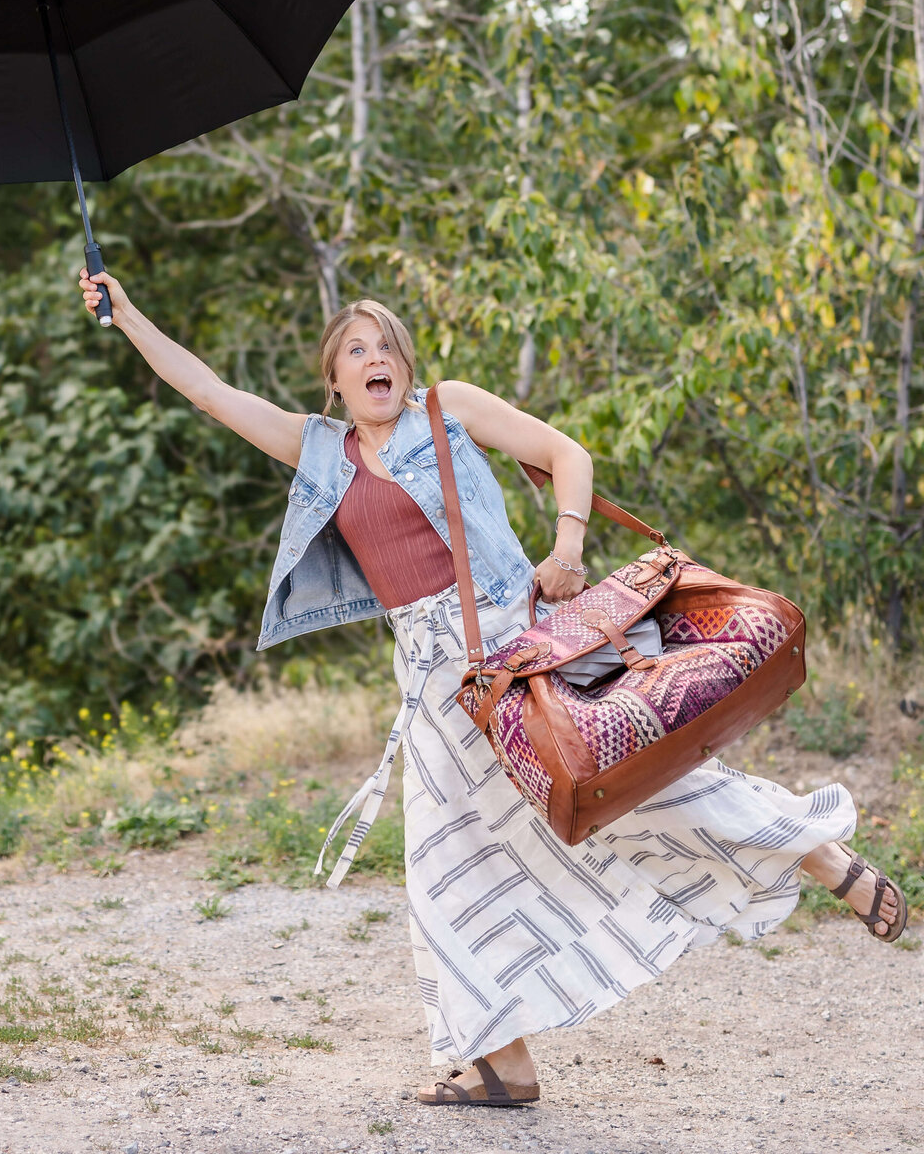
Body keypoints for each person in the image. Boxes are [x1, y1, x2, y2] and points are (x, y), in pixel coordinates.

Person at [77, 273, 908, 1109]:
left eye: (388, 348)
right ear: (333, 379)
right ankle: (505, 1065)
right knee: (448, 863)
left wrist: (569, 550)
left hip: (514, 655)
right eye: (356, 351)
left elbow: (566, 456)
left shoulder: (449, 408)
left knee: (627, 791)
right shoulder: (320, 449)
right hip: (432, 685)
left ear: (406, 365)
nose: (377, 360)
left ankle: (816, 850)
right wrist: (127, 315)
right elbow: (209, 388)